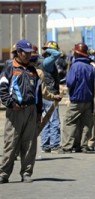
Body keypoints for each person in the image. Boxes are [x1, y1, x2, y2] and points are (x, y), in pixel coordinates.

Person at [0, 39, 43, 183]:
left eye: (30, 53)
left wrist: (38, 113)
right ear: (18, 52)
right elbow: (3, 90)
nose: (29, 55)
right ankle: (3, 174)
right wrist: (11, 104)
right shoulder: (9, 68)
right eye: (26, 53)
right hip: (15, 112)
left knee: (30, 144)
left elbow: (38, 93)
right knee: (11, 143)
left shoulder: (32, 70)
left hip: (31, 110)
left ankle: (26, 173)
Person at [58, 43, 95, 153]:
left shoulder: (75, 66)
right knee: (86, 123)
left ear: (76, 53)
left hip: (77, 99)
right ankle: (83, 145)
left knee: (69, 121)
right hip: (88, 100)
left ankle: (67, 146)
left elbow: (70, 82)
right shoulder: (90, 67)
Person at [40, 41, 62, 153]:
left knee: (46, 120)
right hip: (50, 95)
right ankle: (55, 145)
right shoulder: (48, 61)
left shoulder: (44, 61)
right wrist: (48, 48)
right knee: (54, 121)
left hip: (45, 95)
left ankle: (46, 145)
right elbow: (57, 54)